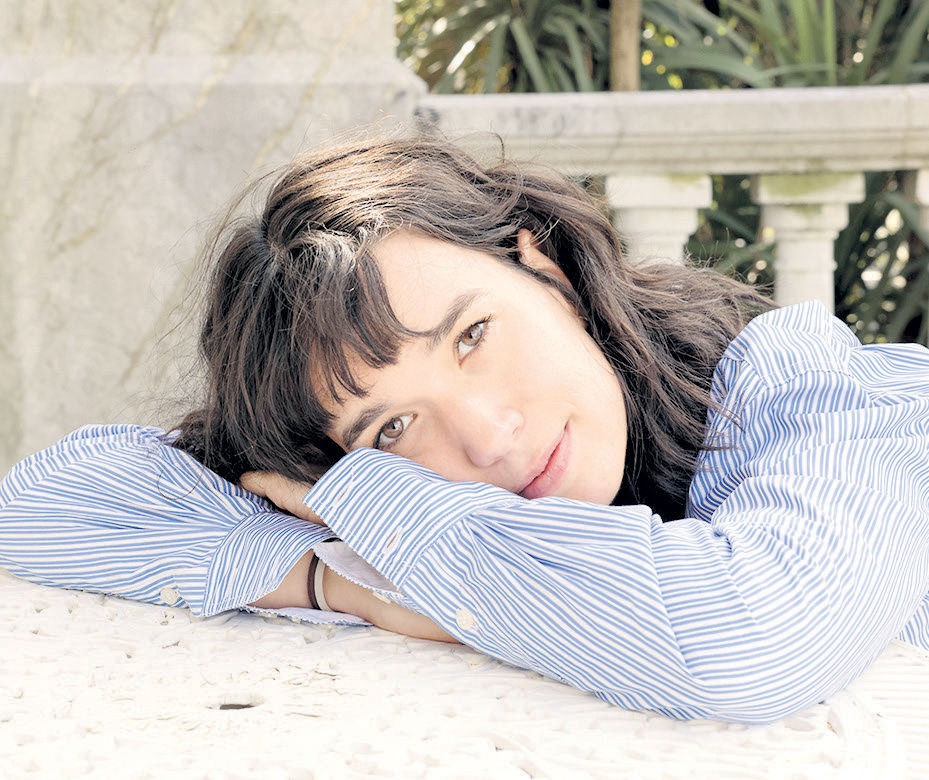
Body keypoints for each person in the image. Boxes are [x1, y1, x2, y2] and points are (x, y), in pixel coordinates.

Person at [1, 135, 928, 724]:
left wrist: (391, 532)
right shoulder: (373, 488)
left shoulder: (804, 389)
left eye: (472, 336)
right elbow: (44, 501)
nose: (487, 438)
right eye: (393, 427)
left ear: (545, 268)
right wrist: (341, 578)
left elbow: (749, 639)